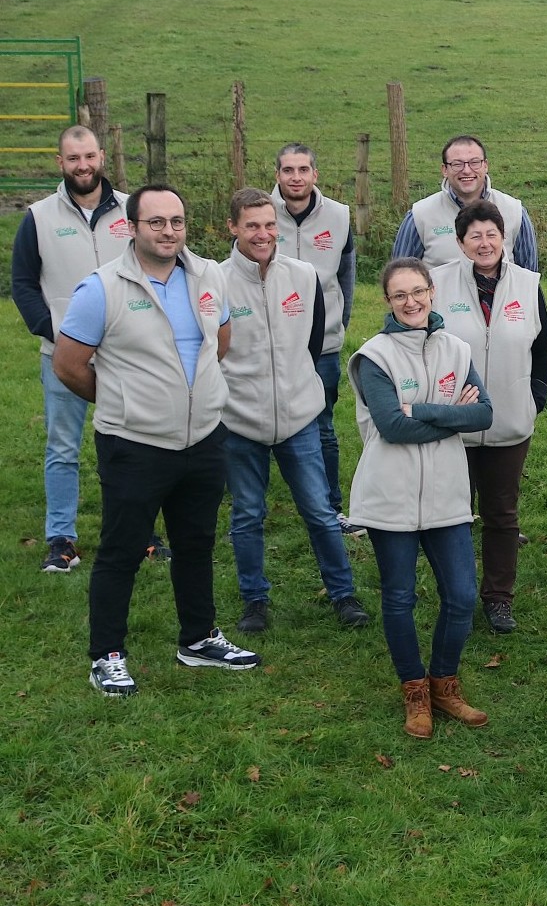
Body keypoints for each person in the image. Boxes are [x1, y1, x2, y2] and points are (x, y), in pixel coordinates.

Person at [53, 185, 260, 695]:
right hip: (134, 445)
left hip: (204, 439)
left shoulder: (210, 276)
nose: (169, 231)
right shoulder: (101, 289)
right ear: (132, 227)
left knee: (196, 543)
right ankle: (107, 654)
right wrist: (124, 400)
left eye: (177, 221)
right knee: (121, 551)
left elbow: (222, 343)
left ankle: (197, 639)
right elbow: (68, 365)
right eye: (157, 222)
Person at [348, 258, 494, 738]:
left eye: (418, 291)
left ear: (433, 291)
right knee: (400, 596)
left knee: (461, 595)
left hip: (447, 494)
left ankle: (445, 684)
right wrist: (451, 413)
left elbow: (484, 415)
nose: (411, 302)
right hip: (391, 496)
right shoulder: (374, 357)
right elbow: (391, 425)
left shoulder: (456, 347)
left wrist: (423, 410)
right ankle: (414, 690)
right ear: (387, 302)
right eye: (399, 295)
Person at [217, 189, 368, 634]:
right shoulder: (215, 281)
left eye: (269, 225)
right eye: (252, 226)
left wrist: (295, 389)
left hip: (299, 417)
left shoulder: (304, 276)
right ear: (233, 228)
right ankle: (254, 601)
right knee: (247, 514)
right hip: (239, 420)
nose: (263, 234)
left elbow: (315, 344)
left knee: (320, 511)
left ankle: (343, 595)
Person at [11, 126, 131, 573]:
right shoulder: (38, 217)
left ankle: (136, 530)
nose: (83, 165)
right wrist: (54, 333)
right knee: (62, 446)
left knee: (128, 443)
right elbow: (23, 284)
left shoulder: (131, 211)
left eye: (89, 156)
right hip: (61, 356)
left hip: (124, 352)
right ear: (60, 163)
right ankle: (61, 539)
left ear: (102, 157)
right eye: (73, 158)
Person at [430, 201, 547, 635]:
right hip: (455, 422)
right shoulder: (438, 284)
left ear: (505, 238)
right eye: (474, 236)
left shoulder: (528, 283)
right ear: (461, 244)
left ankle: (499, 599)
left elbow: (543, 346)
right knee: (455, 513)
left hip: (510, 420)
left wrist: (535, 393)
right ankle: (458, 594)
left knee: (502, 514)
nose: (485, 243)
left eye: (492, 234)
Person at [271, 143, 362, 538]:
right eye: (288, 170)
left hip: (323, 343)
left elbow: (346, 275)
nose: (296, 177)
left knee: (323, 422)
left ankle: (331, 505)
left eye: (303, 169)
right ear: (277, 175)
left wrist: (338, 321)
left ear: (315, 174)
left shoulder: (339, 216)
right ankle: (252, 506)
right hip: (270, 342)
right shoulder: (259, 213)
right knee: (257, 423)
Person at [391, 135, 538, 270]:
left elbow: (529, 277)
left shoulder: (515, 211)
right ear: (444, 170)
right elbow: (400, 277)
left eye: (474, 162)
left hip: (502, 299)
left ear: (485, 166)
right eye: (457, 164)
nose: (466, 171)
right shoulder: (420, 215)